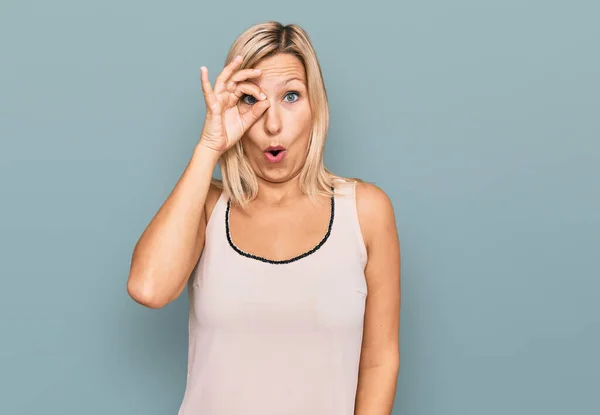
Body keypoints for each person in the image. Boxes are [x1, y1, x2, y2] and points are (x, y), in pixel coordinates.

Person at [127, 21, 401, 415]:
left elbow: (379, 360)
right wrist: (209, 147)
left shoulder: (365, 211)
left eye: (291, 96)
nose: (273, 124)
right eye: (252, 101)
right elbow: (148, 288)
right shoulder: (207, 208)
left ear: (315, 107)